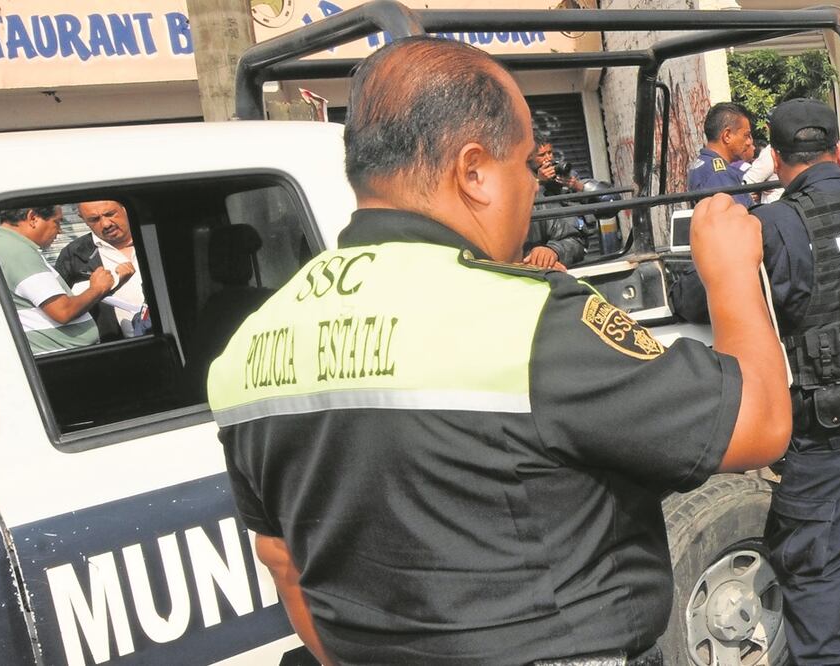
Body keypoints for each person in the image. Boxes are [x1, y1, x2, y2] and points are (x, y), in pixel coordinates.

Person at [207, 36, 791, 665]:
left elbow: (281, 559)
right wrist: (731, 271)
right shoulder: (526, 316)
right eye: (526, 165)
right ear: (474, 171)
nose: (535, 186)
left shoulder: (249, 348)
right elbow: (758, 424)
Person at [671, 98, 840, 665]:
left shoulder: (775, 224)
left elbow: (702, 293)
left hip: (839, 423)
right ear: (836, 148)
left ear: (776, 156)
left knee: (812, 566)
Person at [0, 206, 133, 355]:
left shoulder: (2, 244)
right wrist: (97, 289)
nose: (60, 231)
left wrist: (108, 287)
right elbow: (63, 311)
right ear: (33, 218)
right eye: (56, 222)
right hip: (63, 356)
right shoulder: (17, 252)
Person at [55, 200, 147, 339]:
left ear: (125, 208)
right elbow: (61, 307)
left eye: (110, 214)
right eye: (94, 219)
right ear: (82, 219)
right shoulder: (74, 255)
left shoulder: (153, 238)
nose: (106, 224)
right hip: (115, 344)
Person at [525, 135, 588, 269]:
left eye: (550, 153)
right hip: (541, 249)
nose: (548, 158)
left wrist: (576, 186)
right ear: (529, 158)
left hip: (572, 242)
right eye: (542, 155)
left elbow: (597, 198)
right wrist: (539, 182)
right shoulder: (524, 179)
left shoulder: (564, 173)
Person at [688, 102, 755, 206]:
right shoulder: (719, 174)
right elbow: (738, 213)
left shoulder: (704, 163)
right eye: (746, 135)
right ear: (727, 136)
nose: (749, 142)